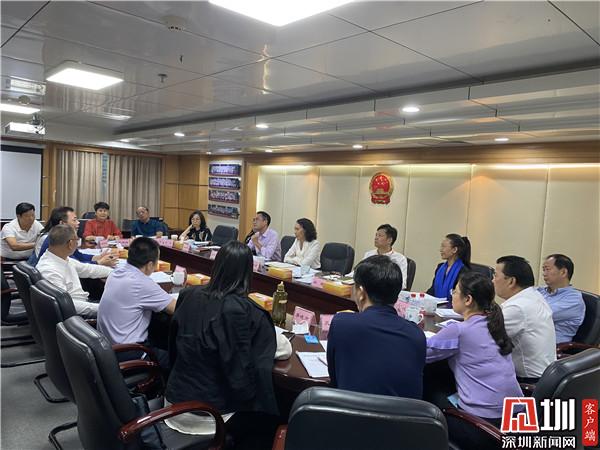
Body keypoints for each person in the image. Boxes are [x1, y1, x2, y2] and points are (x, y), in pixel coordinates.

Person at [165, 241, 291, 447]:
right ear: (248, 273)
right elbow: (283, 350)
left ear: (216, 266)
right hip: (212, 416)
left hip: (173, 402)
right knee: (275, 418)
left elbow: (172, 348)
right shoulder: (246, 311)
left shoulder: (188, 295)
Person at [426, 272, 522, 448]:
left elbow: (422, 353)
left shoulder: (459, 330)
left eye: (455, 291)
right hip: (517, 419)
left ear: (468, 299)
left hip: (483, 426)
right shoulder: (495, 324)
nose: (452, 295)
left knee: (429, 386)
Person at [327, 255, 425, 398]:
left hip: (350, 411)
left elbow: (335, 380)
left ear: (361, 293)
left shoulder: (342, 323)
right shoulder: (417, 335)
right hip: (400, 413)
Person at [98, 237, 177, 368]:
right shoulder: (141, 283)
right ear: (150, 265)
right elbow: (175, 308)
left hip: (106, 346)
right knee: (180, 362)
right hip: (128, 351)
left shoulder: (116, 273)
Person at [494, 255, 556, 382]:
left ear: (511, 281)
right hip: (546, 375)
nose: (492, 281)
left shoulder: (517, 308)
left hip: (528, 381)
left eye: (495, 276)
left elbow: (481, 336)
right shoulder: (533, 295)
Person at [37, 225, 112, 318]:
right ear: (70, 243)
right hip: (75, 315)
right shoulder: (49, 271)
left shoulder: (60, 257)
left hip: (81, 304)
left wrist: (113, 273)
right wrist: (104, 309)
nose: (78, 243)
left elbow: (88, 269)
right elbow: (66, 305)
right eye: (77, 240)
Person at [34, 206, 117, 267]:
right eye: (74, 220)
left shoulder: (64, 236)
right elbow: (76, 265)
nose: (78, 222)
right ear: (62, 223)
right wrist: (99, 262)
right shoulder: (54, 239)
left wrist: (98, 257)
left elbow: (78, 256)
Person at [537, 254, 585, 344]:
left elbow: (539, 315)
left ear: (563, 272)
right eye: (543, 270)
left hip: (551, 346)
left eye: (547, 269)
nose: (544, 273)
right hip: (531, 339)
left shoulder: (573, 299)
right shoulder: (541, 290)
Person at [361, 224, 408, 289]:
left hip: (387, 291)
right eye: (376, 235)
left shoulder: (400, 259)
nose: (376, 238)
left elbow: (402, 284)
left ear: (389, 240)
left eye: (380, 235)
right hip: (367, 290)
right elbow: (357, 273)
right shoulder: (369, 254)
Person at [427, 234, 471, 301]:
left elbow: (460, 297)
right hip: (436, 305)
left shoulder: (463, 271)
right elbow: (433, 290)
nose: (441, 250)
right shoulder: (440, 267)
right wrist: (423, 296)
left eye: (444, 246)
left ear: (454, 250)